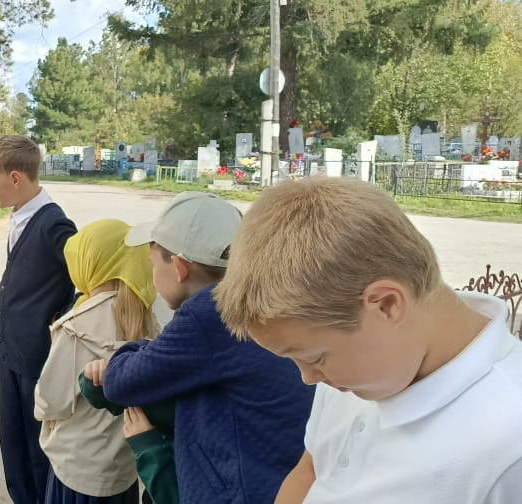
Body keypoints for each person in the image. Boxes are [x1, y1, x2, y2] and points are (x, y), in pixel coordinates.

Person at [214, 177, 522, 503]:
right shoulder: (359, 368)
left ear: (386, 304)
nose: (307, 377)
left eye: (314, 358)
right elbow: (313, 469)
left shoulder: (508, 443)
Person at [85, 192, 314, 504]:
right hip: (277, 476)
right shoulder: (260, 295)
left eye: (154, 263)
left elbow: (120, 383)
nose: (153, 274)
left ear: (180, 268)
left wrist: (130, 351)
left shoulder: (211, 312)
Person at [33, 219, 156, 503]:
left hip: (78, 468)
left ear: (91, 263)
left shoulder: (76, 327)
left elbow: (51, 401)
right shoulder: (147, 319)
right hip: (122, 469)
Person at [0, 134, 77, 504]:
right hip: (11, 349)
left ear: (16, 178)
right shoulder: (20, 214)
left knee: (37, 444)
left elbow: (86, 277)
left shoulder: (54, 223)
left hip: (37, 356)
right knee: (12, 438)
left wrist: (57, 317)